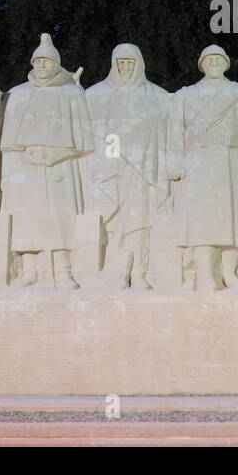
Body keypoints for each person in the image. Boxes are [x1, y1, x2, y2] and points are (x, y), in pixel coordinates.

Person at [167, 45, 238, 290]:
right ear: (201, 64)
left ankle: (228, 272)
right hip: (198, 161)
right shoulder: (185, 95)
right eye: (209, 59)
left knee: (233, 216)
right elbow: (174, 132)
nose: (213, 63)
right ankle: (204, 274)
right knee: (202, 218)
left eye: (218, 59)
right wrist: (175, 162)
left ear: (226, 63)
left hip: (233, 160)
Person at [0, 33, 93, 289]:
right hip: (24, 168)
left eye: (46, 62)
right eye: (37, 61)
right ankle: (29, 271)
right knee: (27, 219)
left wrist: (57, 154)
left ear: (56, 65)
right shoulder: (17, 94)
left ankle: (64, 271)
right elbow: (7, 144)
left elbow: (86, 141)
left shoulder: (72, 94)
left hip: (60, 167)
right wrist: (8, 173)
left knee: (60, 218)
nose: (41, 66)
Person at [85, 44, 170, 290]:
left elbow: (168, 131)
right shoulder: (95, 95)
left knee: (140, 220)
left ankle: (140, 271)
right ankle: (112, 270)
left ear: (139, 64)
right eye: (120, 62)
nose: (125, 67)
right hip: (108, 170)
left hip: (141, 170)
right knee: (110, 219)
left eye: (130, 62)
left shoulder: (157, 96)